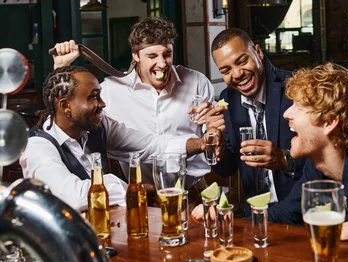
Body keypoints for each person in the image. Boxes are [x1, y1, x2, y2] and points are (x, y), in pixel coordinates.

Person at [52, 16, 215, 207]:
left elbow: (214, 136)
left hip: (192, 193)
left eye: (167, 54)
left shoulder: (197, 82)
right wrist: (60, 69)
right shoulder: (111, 91)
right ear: (136, 56)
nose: (162, 63)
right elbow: (69, 115)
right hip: (140, 196)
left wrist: (214, 129)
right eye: (152, 56)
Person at [20, 66, 207, 212]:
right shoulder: (37, 147)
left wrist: (200, 143)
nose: (102, 103)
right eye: (93, 97)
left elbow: (150, 145)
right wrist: (131, 189)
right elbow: (73, 196)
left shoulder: (99, 126)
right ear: (65, 105)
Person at [267, 63, 348, 241]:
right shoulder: (317, 165)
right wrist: (226, 218)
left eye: (299, 107)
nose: (286, 114)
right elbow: (285, 214)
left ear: (329, 122)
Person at [204, 28, 305, 214]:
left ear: (258, 52)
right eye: (226, 70)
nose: (236, 74)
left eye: (242, 61)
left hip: (300, 213)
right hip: (254, 215)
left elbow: (322, 158)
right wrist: (214, 143)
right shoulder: (228, 99)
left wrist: (284, 159)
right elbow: (226, 170)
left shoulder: (296, 89)